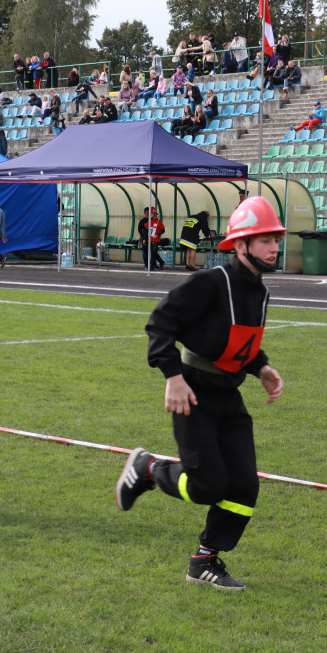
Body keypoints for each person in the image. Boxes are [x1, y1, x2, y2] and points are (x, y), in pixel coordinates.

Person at [115, 196, 286, 592]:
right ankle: (147, 469)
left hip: (230, 398)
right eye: (264, 240)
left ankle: (204, 561)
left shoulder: (260, 293)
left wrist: (261, 368)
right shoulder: (210, 282)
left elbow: (237, 342)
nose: (274, 247)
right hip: (192, 394)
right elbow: (160, 324)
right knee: (207, 486)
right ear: (240, 245)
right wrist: (172, 377)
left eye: (275, 239)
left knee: (244, 487)